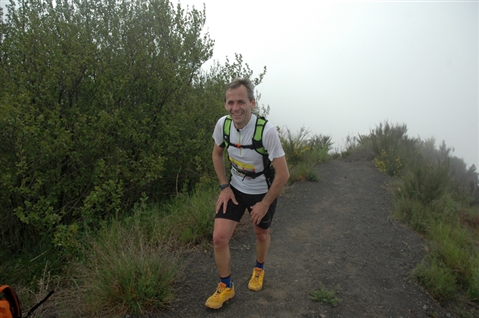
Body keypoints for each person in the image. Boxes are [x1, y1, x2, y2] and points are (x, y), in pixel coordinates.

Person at [205, 78, 290, 309]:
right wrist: (224, 186)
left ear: (252, 102)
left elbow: (283, 174)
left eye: (241, 101)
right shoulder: (223, 125)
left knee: (261, 233)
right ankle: (226, 286)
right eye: (230, 102)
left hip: (262, 191)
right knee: (219, 238)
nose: (235, 107)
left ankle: (259, 268)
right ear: (225, 104)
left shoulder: (266, 131)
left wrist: (264, 203)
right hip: (235, 188)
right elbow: (217, 155)